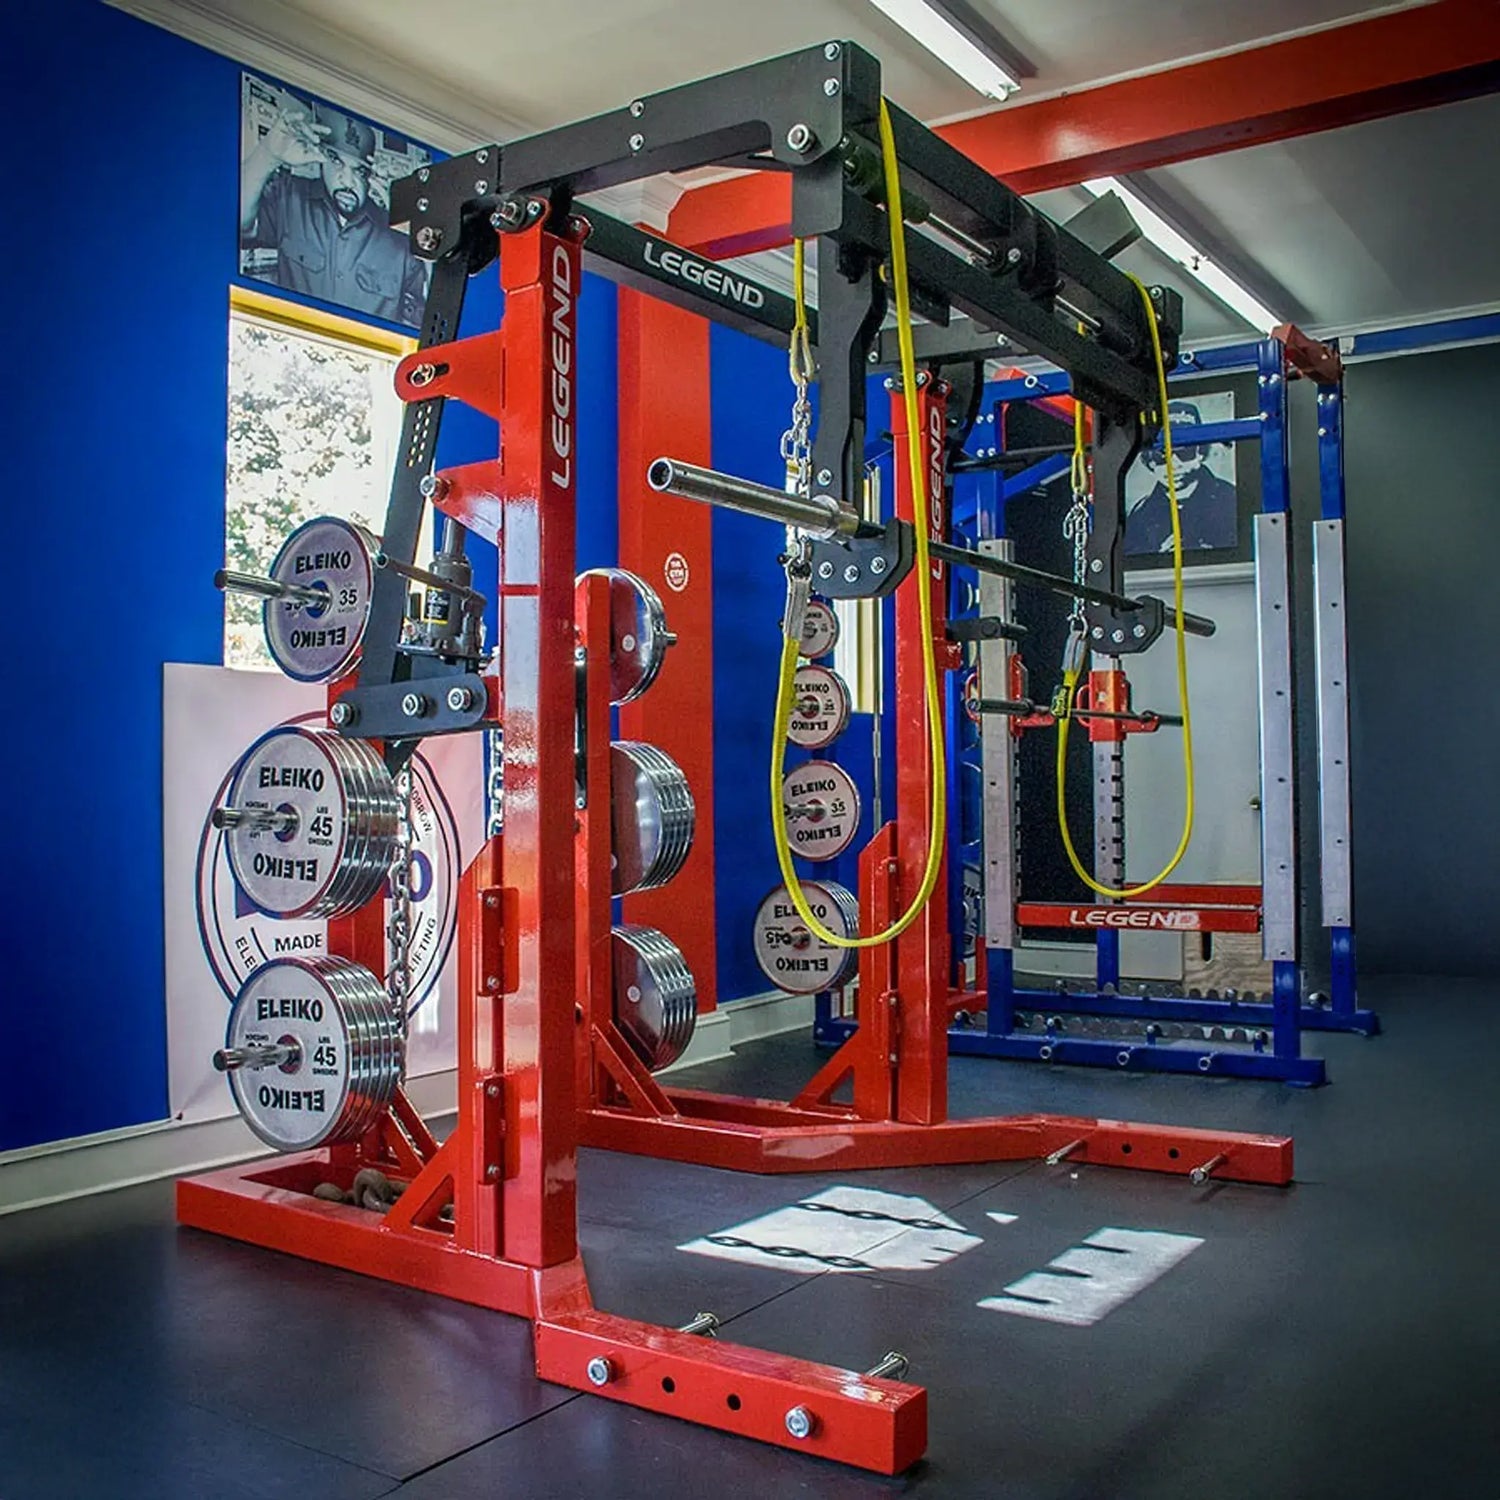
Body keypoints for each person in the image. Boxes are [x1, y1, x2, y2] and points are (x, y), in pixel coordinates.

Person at [240, 97, 428, 328]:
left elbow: (431, 314)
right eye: (337, 162)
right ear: (320, 159)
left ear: (370, 176)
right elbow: (236, 225)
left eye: (359, 171)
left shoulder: (398, 238)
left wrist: (419, 226)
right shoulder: (289, 197)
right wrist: (268, 155)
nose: (347, 181)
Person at [1125, 399, 1239, 554]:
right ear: (1149, 461)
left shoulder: (1230, 500)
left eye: (1185, 452)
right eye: (1161, 456)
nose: (1173, 464)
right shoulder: (1139, 514)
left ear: (1200, 453)